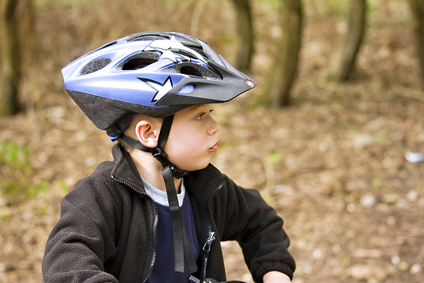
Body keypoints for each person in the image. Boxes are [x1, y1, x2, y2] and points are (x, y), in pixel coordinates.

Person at [42, 31, 295, 283]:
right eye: (199, 116)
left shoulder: (207, 189)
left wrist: (276, 274)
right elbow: (66, 263)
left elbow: (261, 222)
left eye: (211, 111)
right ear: (149, 133)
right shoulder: (100, 197)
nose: (215, 126)